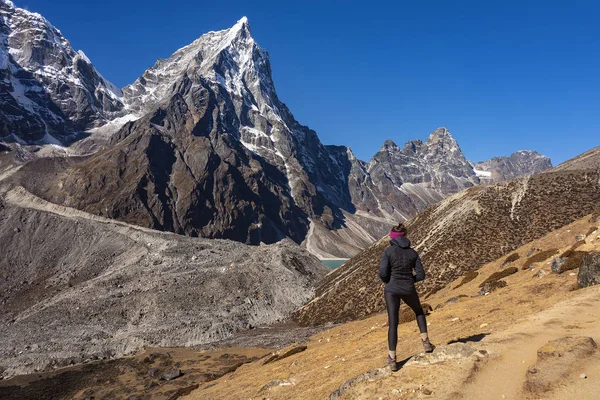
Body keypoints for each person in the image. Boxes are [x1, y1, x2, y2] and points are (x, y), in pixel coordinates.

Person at [379, 223, 435, 371]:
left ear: (392, 237)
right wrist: (410, 280)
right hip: (408, 288)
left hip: (391, 290)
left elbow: (383, 273)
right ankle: (426, 342)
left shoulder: (388, 252)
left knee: (393, 322)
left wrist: (389, 281)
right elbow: (421, 275)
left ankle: (392, 358)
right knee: (418, 311)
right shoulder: (413, 253)